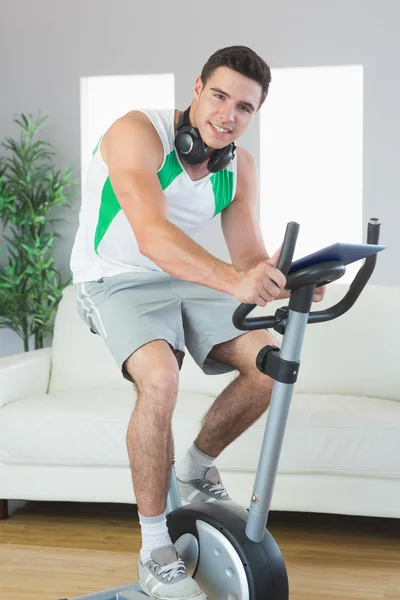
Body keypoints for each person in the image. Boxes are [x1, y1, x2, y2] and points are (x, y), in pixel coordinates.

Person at [70, 45, 326, 600]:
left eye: (245, 108)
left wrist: (293, 276)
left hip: (181, 277)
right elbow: (152, 237)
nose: (228, 115)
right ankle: (155, 548)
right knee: (160, 380)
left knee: (270, 366)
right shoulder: (136, 132)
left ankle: (195, 468)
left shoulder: (239, 167)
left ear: (255, 115)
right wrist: (234, 281)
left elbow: (248, 257)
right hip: (112, 278)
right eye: (219, 96)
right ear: (197, 87)